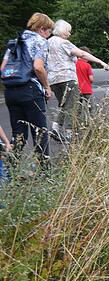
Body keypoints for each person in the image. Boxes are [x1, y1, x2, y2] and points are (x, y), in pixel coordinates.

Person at [0, 12, 54, 171]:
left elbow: (2, 69)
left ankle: (10, 171)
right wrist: (46, 86)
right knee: (40, 132)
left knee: (18, 134)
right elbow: (38, 66)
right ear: (42, 29)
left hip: (11, 92)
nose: (48, 35)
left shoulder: (15, 41)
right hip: (30, 90)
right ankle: (45, 173)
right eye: (49, 31)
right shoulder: (40, 42)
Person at [47, 19, 109, 143]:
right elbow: (82, 54)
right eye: (68, 31)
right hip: (67, 78)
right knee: (72, 105)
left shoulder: (47, 43)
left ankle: (58, 128)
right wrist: (101, 62)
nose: (69, 34)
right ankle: (67, 132)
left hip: (53, 80)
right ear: (61, 30)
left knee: (64, 104)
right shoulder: (63, 43)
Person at [75, 46, 95, 124]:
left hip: (77, 89)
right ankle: (90, 121)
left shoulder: (74, 64)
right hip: (87, 89)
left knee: (78, 108)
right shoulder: (87, 66)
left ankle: (76, 123)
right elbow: (91, 79)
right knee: (90, 107)